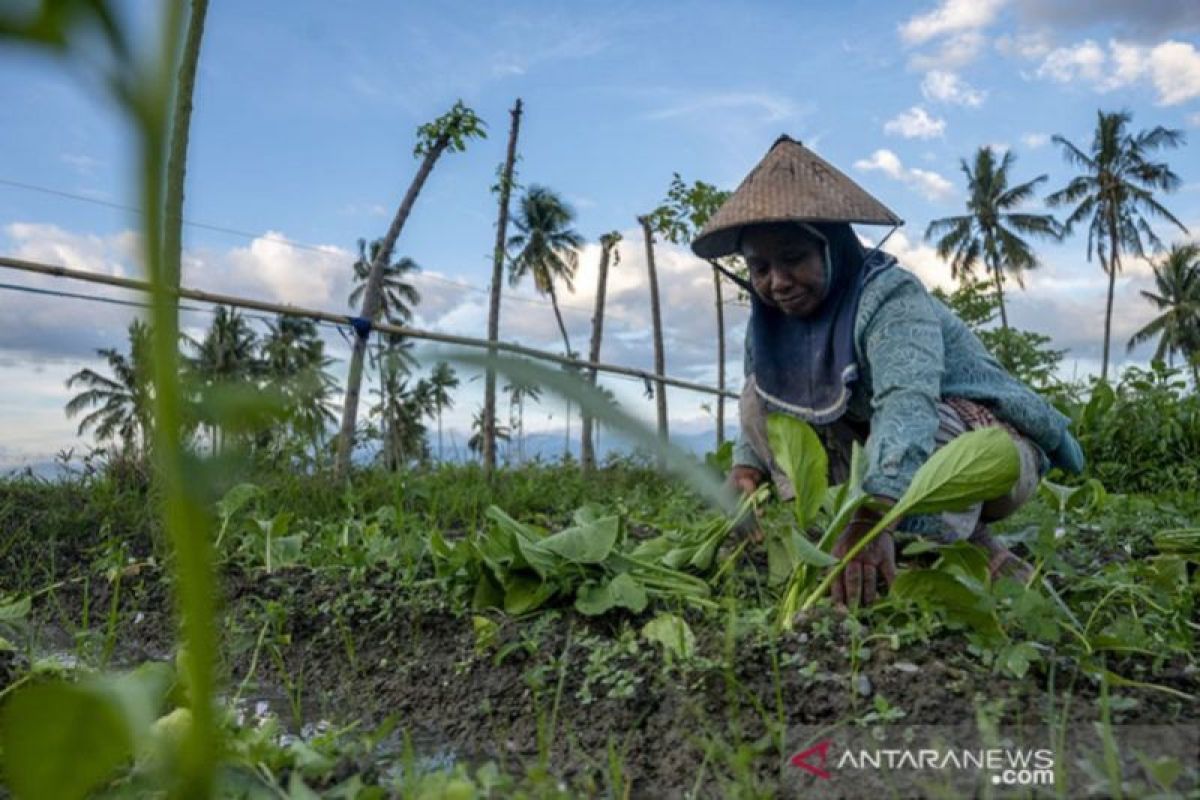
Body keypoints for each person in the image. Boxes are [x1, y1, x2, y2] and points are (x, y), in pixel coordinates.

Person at [690, 135, 1084, 609]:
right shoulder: (770, 323)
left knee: (924, 424)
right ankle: (866, 537)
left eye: (793, 259)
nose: (777, 282)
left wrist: (872, 517)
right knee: (757, 396)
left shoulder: (890, 299)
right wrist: (745, 469)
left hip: (985, 456)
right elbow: (765, 402)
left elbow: (907, 406)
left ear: (831, 250)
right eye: (760, 267)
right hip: (874, 458)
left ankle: (944, 543)